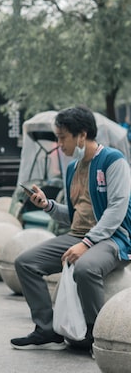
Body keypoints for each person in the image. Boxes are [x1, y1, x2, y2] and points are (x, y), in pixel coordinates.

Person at [10, 106, 131, 352]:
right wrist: (48, 205)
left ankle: (97, 336)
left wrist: (86, 244)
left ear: (82, 135)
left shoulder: (113, 161)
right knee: (25, 263)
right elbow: (76, 216)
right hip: (78, 237)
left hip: (112, 239)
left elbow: (116, 210)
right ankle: (46, 328)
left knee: (85, 269)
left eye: (62, 137)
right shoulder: (72, 168)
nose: (59, 143)